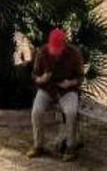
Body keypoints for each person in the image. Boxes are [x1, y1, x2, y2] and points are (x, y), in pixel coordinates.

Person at [27, 25, 85, 159]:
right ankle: (38, 145)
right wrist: (42, 79)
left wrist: (70, 83)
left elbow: (80, 77)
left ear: (64, 46)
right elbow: (34, 76)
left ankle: (70, 147)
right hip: (47, 88)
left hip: (67, 89)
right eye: (53, 49)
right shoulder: (42, 53)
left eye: (58, 50)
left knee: (70, 112)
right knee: (36, 111)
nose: (55, 53)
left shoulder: (74, 53)